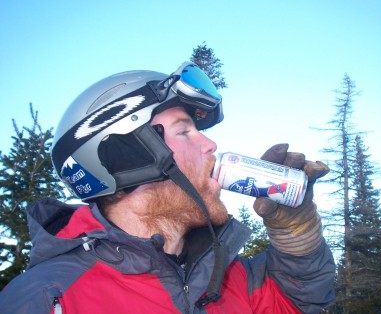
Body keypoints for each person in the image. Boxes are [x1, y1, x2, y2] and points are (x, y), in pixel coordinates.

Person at [0, 62, 335, 313]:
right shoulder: (49, 299)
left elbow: (299, 301)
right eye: (184, 130)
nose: (211, 144)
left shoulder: (227, 275)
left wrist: (297, 233)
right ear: (130, 157)